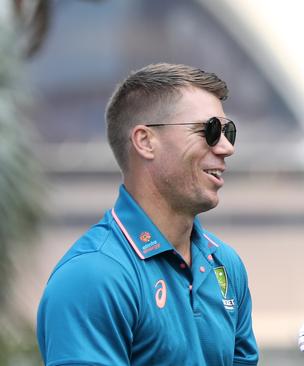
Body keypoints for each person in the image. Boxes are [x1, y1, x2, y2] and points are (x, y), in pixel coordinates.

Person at [37, 63, 258, 365]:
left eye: (228, 131)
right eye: (210, 130)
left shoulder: (226, 265)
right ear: (145, 141)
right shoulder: (92, 277)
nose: (226, 147)